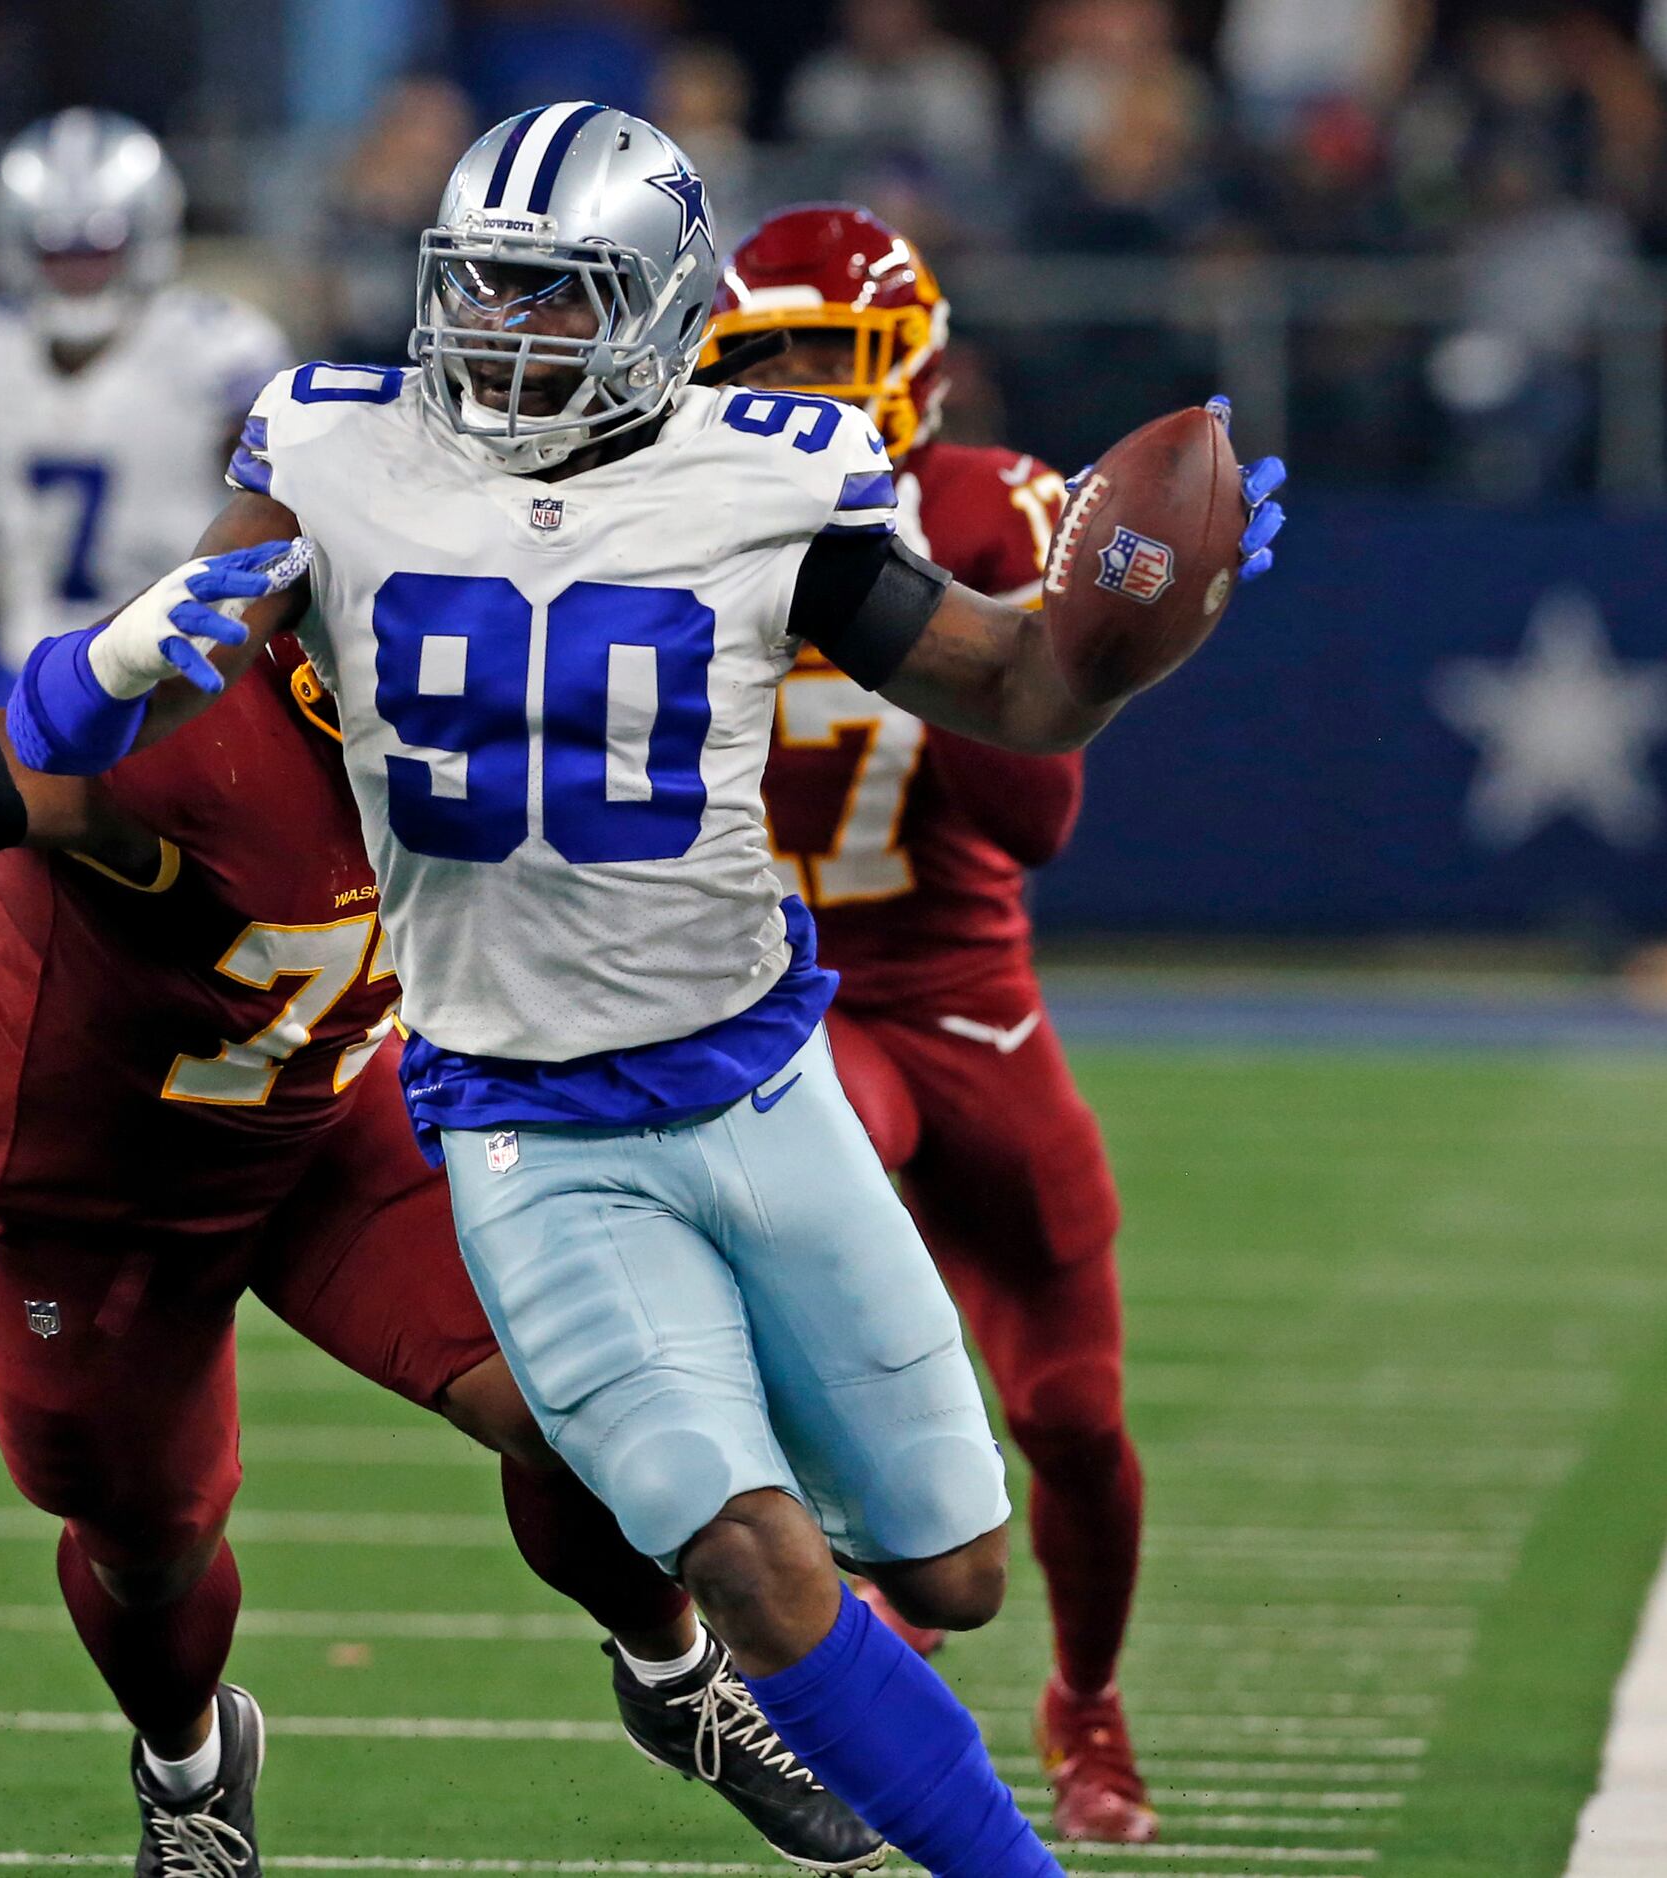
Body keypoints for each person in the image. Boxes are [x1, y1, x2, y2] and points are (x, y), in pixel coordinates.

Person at [0, 103, 1285, 1874]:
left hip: (755, 1069)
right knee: (737, 1543)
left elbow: (1022, 703)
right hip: (509, 1102)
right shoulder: (340, 445)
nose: (498, 325)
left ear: (647, 306)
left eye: (553, 295)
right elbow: (113, 701)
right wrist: (24, 716)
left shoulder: (771, 470)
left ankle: (753, 1644)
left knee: (953, 1566)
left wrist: (1126, 634)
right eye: (477, 281)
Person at [0, 643, 887, 1874]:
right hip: (92, 1195)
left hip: (329, 1114)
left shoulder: (524, 730)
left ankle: (678, 1680)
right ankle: (188, 1767)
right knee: (148, 1539)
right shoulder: (189, 726)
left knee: (582, 1395)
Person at [702, 202, 1155, 1845]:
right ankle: (866, 1633)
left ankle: (1087, 1697)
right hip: (790, 999)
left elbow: (1036, 823)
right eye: (772, 359)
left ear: (917, 367)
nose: (809, 382)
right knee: (812, 1244)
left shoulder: (987, 504)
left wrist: (920, 604)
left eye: (836, 353)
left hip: (965, 1001)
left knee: (1075, 1410)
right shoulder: (689, 519)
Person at [0, 108, 291, 726]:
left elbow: (279, 518)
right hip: (32, 663)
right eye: (56, 251)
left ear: (146, 239)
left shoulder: (218, 350)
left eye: (97, 249)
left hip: (181, 663)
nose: (77, 271)